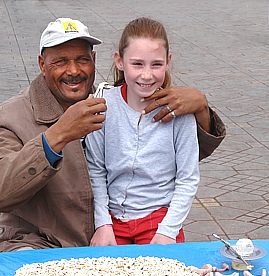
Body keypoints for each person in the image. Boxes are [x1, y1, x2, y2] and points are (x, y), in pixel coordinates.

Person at [0, 17, 225, 253]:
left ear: (94, 61)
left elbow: (176, 161)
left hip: (108, 234)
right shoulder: (12, 116)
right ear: (41, 64)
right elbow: (4, 193)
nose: (74, 70)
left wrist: (200, 106)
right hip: (41, 242)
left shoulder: (103, 101)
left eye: (82, 60)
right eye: (60, 61)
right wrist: (57, 135)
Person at [86, 17, 200, 246]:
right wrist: (102, 223)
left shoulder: (180, 112)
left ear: (168, 62)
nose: (147, 75)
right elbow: (95, 170)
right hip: (112, 220)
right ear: (119, 61)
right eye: (137, 64)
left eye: (156, 64)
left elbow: (188, 178)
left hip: (159, 220)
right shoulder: (103, 106)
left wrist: (168, 230)